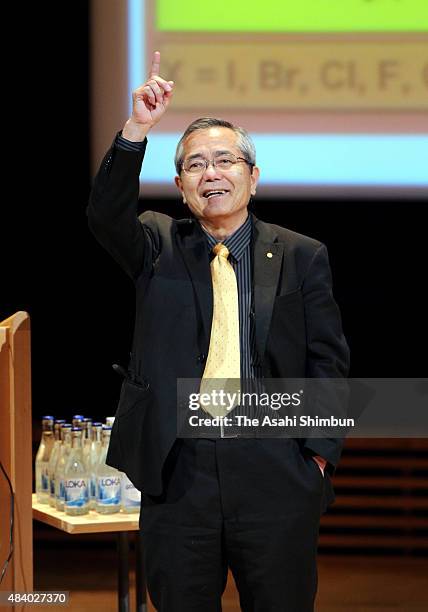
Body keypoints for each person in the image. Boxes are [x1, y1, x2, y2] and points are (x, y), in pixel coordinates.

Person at [87, 51, 350, 612]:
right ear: (181, 186)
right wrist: (138, 129)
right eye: (195, 165)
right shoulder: (158, 244)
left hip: (276, 466)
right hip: (180, 468)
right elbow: (106, 216)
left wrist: (316, 456)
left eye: (225, 160)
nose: (211, 173)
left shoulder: (302, 255)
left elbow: (328, 360)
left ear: (252, 177)